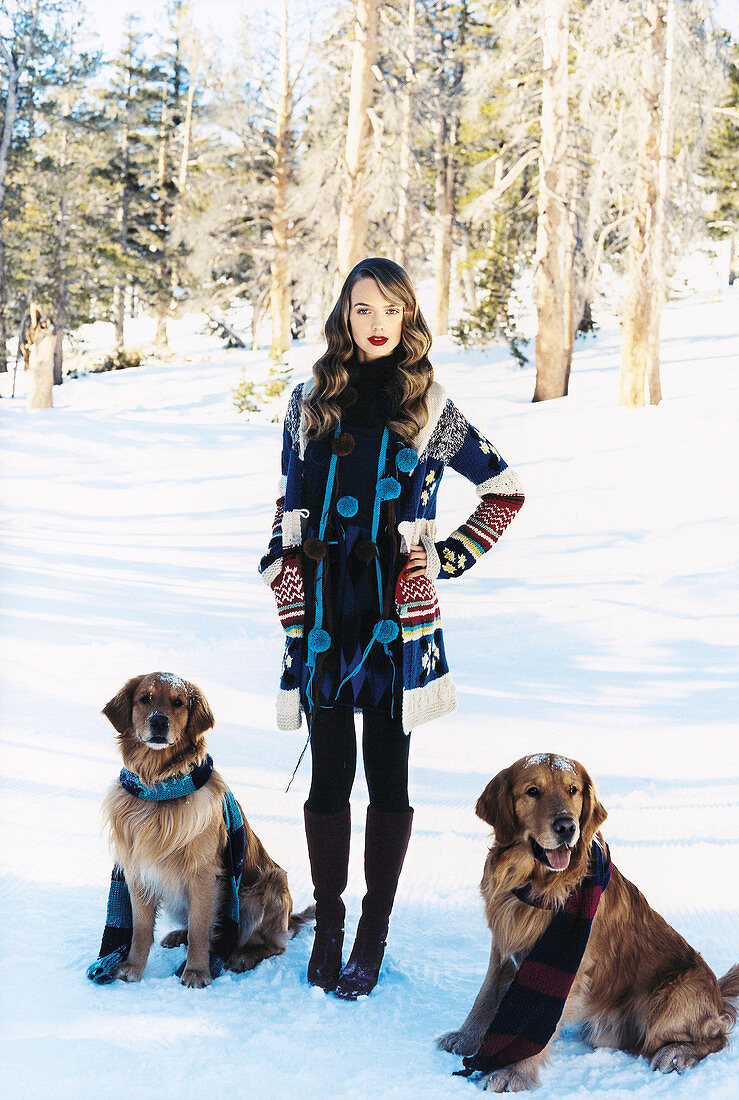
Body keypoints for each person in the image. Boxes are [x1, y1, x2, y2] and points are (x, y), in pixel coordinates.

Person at [259, 257, 524, 999]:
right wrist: (281, 569)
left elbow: (504, 490)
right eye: (361, 309)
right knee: (328, 777)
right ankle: (334, 923)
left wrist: (441, 560)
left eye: (390, 311)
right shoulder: (307, 401)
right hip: (320, 616)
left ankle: (374, 929)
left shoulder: (431, 411)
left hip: (389, 618)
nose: (375, 325)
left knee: (387, 774)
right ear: (344, 315)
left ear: (408, 319)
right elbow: (286, 500)